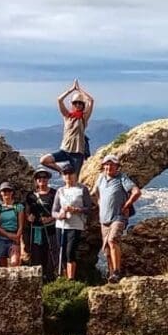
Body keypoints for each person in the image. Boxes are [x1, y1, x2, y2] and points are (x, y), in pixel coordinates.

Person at [92, 154, 141, 283]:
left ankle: (117, 271)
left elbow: (136, 192)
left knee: (113, 240)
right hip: (104, 219)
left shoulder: (122, 178)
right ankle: (111, 274)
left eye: (111, 165)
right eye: (106, 164)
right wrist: (99, 203)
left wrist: (127, 205)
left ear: (117, 167)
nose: (108, 167)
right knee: (107, 249)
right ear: (103, 166)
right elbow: (95, 192)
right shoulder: (101, 178)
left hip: (118, 217)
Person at [40, 79, 94, 176]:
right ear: (72, 104)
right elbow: (59, 100)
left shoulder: (84, 117)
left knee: (75, 179)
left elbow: (91, 101)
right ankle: (62, 171)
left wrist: (79, 90)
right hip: (65, 150)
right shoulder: (67, 116)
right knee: (44, 160)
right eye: (75, 103)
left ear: (83, 105)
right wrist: (71, 90)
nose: (77, 104)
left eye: (80, 103)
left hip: (77, 153)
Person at [52, 163, 92, 280]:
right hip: (61, 225)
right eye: (65, 174)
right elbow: (53, 211)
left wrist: (76, 210)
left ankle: (71, 278)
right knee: (62, 251)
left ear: (75, 174)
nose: (68, 176)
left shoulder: (82, 189)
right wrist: (60, 215)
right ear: (62, 176)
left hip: (76, 225)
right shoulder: (60, 191)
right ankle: (64, 276)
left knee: (70, 252)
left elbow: (89, 208)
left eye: (70, 173)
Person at [24, 168, 57, 281]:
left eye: (44, 178)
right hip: (36, 229)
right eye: (39, 178)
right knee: (36, 254)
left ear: (47, 179)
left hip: (51, 229)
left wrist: (50, 218)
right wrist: (29, 217)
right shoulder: (31, 196)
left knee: (50, 254)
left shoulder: (54, 193)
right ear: (36, 181)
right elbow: (27, 212)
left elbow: (58, 210)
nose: (42, 180)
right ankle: (38, 279)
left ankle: (50, 278)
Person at [0, 182, 24, 267]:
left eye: (8, 190)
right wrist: (10, 235)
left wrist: (17, 237)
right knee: (2, 267)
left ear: (12, 192)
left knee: (15, 263)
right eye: (4, 191)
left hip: (14, 238)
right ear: (0, 193)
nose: (6, 193)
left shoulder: (18, 207)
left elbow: (21, 225)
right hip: (1, 239)